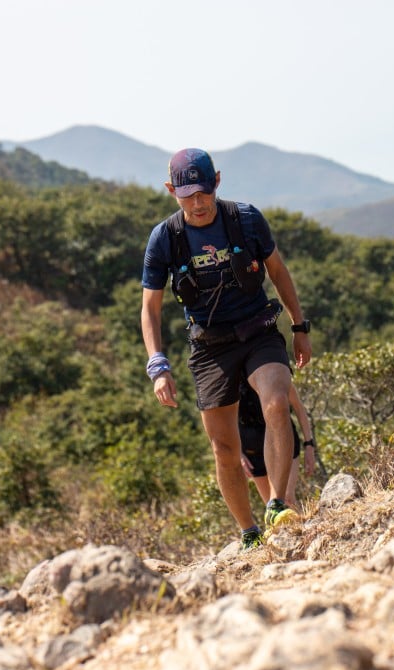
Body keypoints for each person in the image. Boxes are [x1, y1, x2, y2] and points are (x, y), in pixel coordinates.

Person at [140, 148, 312, 552]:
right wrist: (158, 365)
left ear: (216, 181)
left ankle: (278, 504)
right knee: (224, 448)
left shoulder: (245, 220)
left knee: (274, 402)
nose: (197, 204)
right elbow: (150, 308)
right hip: (210, 347)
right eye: (187, 196)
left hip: (259, 331)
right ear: (171, 191)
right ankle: (249, 532)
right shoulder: (165, 238)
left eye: (202, 193)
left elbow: (278, 272)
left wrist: (299, 326)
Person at [238, 378, 316, 510]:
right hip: (253, 452)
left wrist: (309, 444)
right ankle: (290, 530)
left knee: (286, 498)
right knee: (272, 508)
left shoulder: (270, 370)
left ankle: (303, 529)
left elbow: (298, 407)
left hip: (283, 443)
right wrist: (239, 454)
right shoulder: (232, 377)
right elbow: (225, 421)